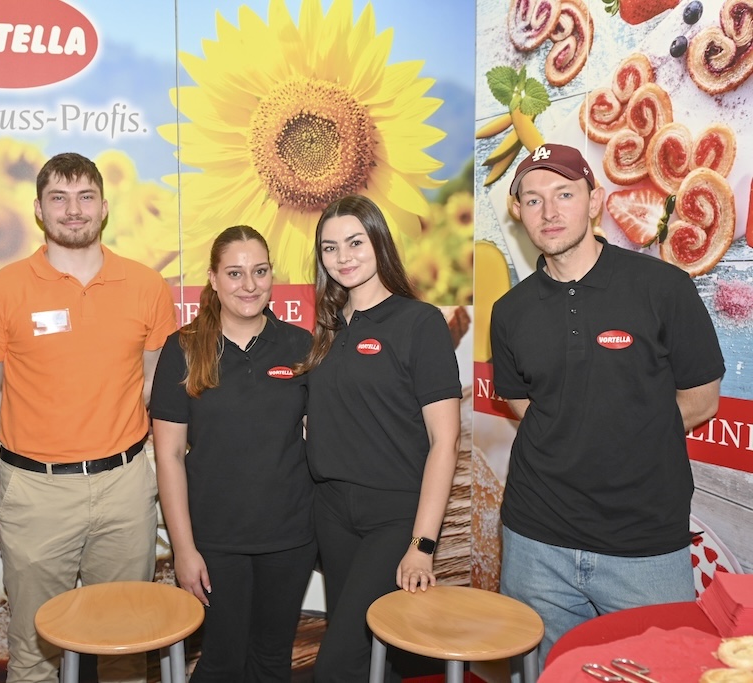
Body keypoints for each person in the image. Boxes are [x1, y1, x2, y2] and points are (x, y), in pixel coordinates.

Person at [491, 143, 725, 665]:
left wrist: (624, 435)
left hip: (644, 543)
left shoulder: (663, 287)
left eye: (564, 194)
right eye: (533, 200)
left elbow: (701, 399)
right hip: (535, 539)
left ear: (594, 202)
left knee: (662, 671)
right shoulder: (509, 311)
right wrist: (574, 430)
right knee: (548, 674)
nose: (549, 212)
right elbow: (520, 399)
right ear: (519, 213)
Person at [0, 152, 177, 683]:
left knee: (125, 643)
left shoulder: (147, 287)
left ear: (104, 207)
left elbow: (153, 382)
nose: (73, 210)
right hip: (37, 491)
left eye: (85, 197)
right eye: (59, 198)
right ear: (39, 209)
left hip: (125, 485)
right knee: (34, 649)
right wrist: (47, 433)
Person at [297, 195, 461, 683]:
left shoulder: (419, 322)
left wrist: (422, 544)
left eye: (355, 242)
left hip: (393, 516)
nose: (343, 257)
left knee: (338, 664)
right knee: (374, 658)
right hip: (331, 513)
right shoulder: (328, 328)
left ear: (379, 242)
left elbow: (445, 441)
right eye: (330, 248)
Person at [151, 226, 317, 682]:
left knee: (271, 661)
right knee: (222, 661)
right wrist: (184, 550)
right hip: (215, 541)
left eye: (259, 272)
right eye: (235, 273)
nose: (249, 285)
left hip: (290, 537)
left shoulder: (300, 345)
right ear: (213, 278)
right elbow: (169, 457)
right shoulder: (183, 348)